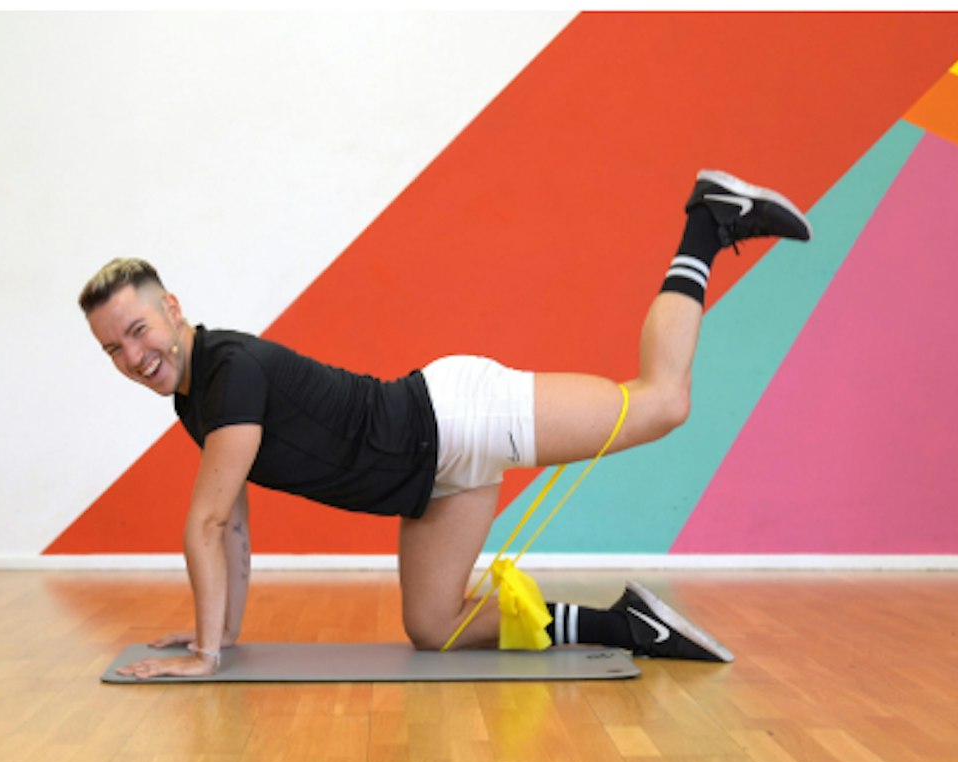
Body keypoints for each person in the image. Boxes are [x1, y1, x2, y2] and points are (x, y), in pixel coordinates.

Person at [81, 170, 812, 678]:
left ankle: (707, 223)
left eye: (139, 330)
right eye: (113, 348)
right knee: (435, 628)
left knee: (660, 403)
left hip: (461, 415)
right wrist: (223, 636)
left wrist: (204, 657)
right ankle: (626, 625)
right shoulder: (195, 399)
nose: (132, 355)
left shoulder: (228, 372)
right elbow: (233, 524)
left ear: (173, 308)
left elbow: (206, 524)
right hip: (432, 479)